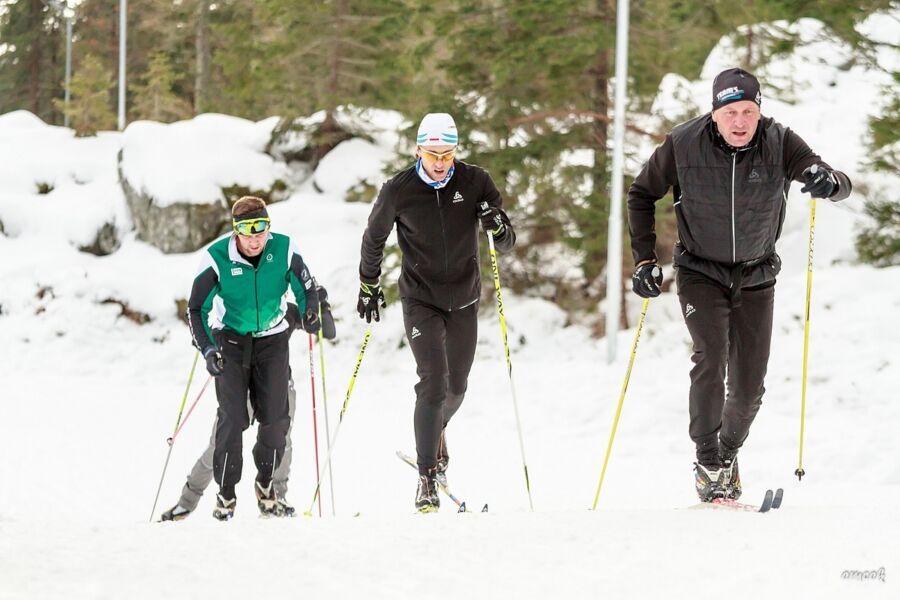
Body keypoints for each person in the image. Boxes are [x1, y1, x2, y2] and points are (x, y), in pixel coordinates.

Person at [627, 68, 851, 502]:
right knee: (710, 356)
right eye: (730, 112)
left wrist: (829, 181)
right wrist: (644, 259)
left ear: (759, 110)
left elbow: (834, 180)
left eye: (748, 110)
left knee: (749, 387)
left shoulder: (780, 140)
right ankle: (707, 460)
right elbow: (640, 194)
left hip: (757, 273)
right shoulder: (682, 143)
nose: (740, 121)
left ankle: (728, 455)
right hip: (700, 271)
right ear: (714, 114)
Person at [358, 112, 516, 512]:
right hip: (420, 298)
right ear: (418, 150)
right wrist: (368, 283)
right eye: (433, 154)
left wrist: (497, 225)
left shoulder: (475, 181)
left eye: (448, 153)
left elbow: (507, 240)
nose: (441, 161)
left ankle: (434, 431)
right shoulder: (399, 189)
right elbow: (373, 237)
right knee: (433, 382)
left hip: (463, 298)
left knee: (457, 387)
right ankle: (427, 476)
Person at [186, 196, 322, 520]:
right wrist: (207, 348)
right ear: (236, 232)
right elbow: (196, 309)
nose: (255, 238)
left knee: (276, 420)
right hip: (230, 341)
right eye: (247, 231)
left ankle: (265, 483)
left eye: (261, 229)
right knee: (232, 420)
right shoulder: (217, 258)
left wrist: (310, 311)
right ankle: (226, 493)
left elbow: (306, 287)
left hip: (272, 341)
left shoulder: (284, 249)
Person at [161, 293, 337, 522]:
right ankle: (186, 503)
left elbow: (328, 332)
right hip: (240, 388)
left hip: (277, 386)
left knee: (282, 440)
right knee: (219, 443)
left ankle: (276, 499)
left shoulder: (287, 312)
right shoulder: (235, 314)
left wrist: (321, 304)